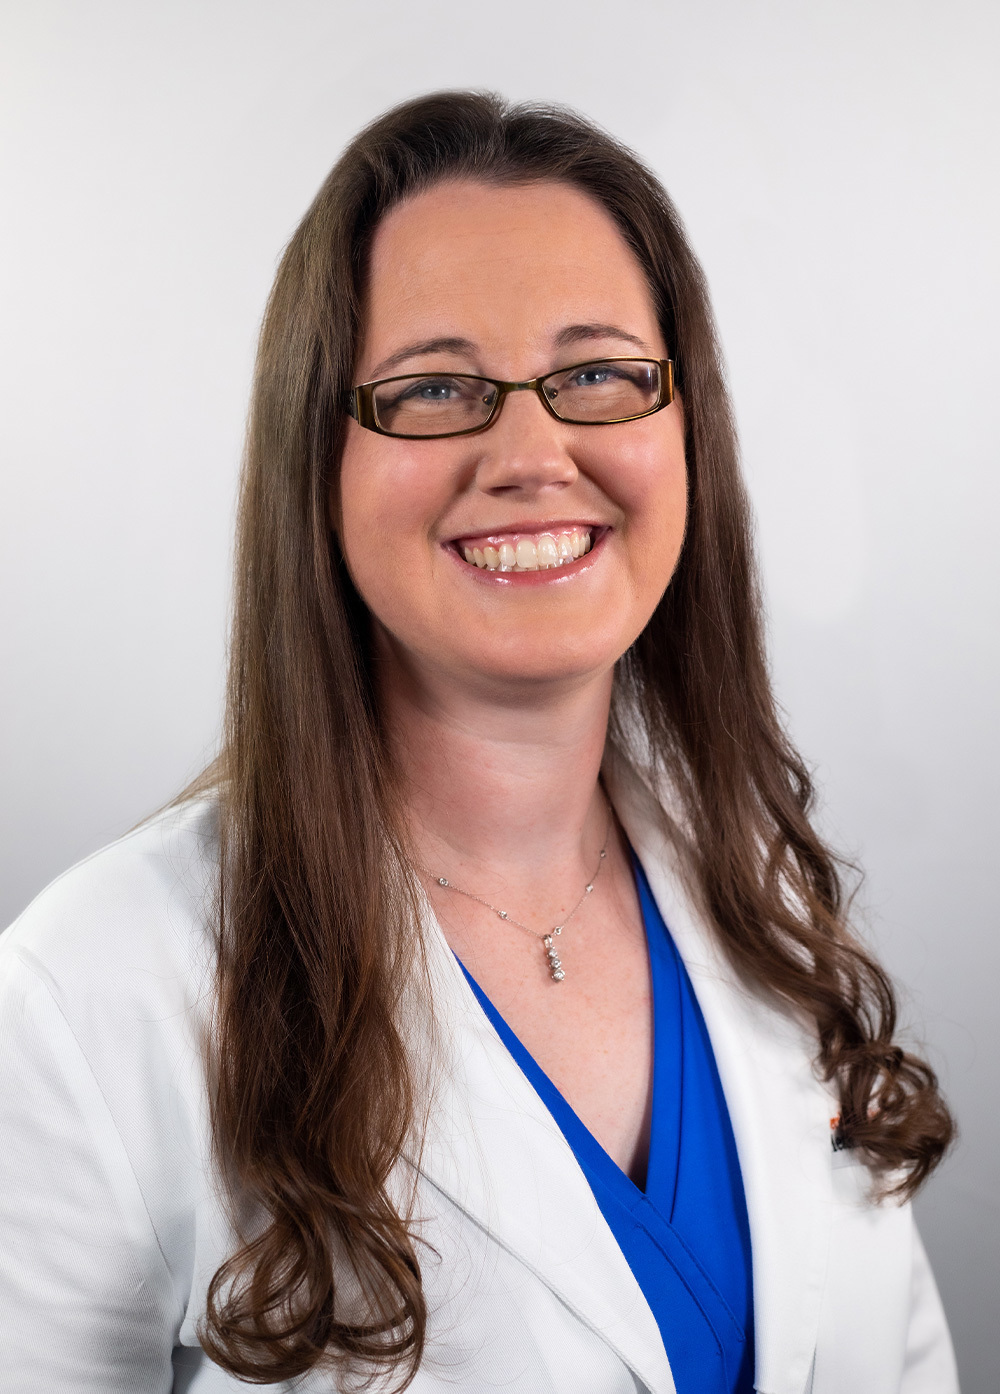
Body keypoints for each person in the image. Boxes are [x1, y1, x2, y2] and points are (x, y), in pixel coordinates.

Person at [0, 91, 959, 1394]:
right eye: (436, 387)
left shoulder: (766, 901)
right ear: (316, 461)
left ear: (688, 431)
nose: (530, 451)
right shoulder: (92, 996)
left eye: (601, 372)